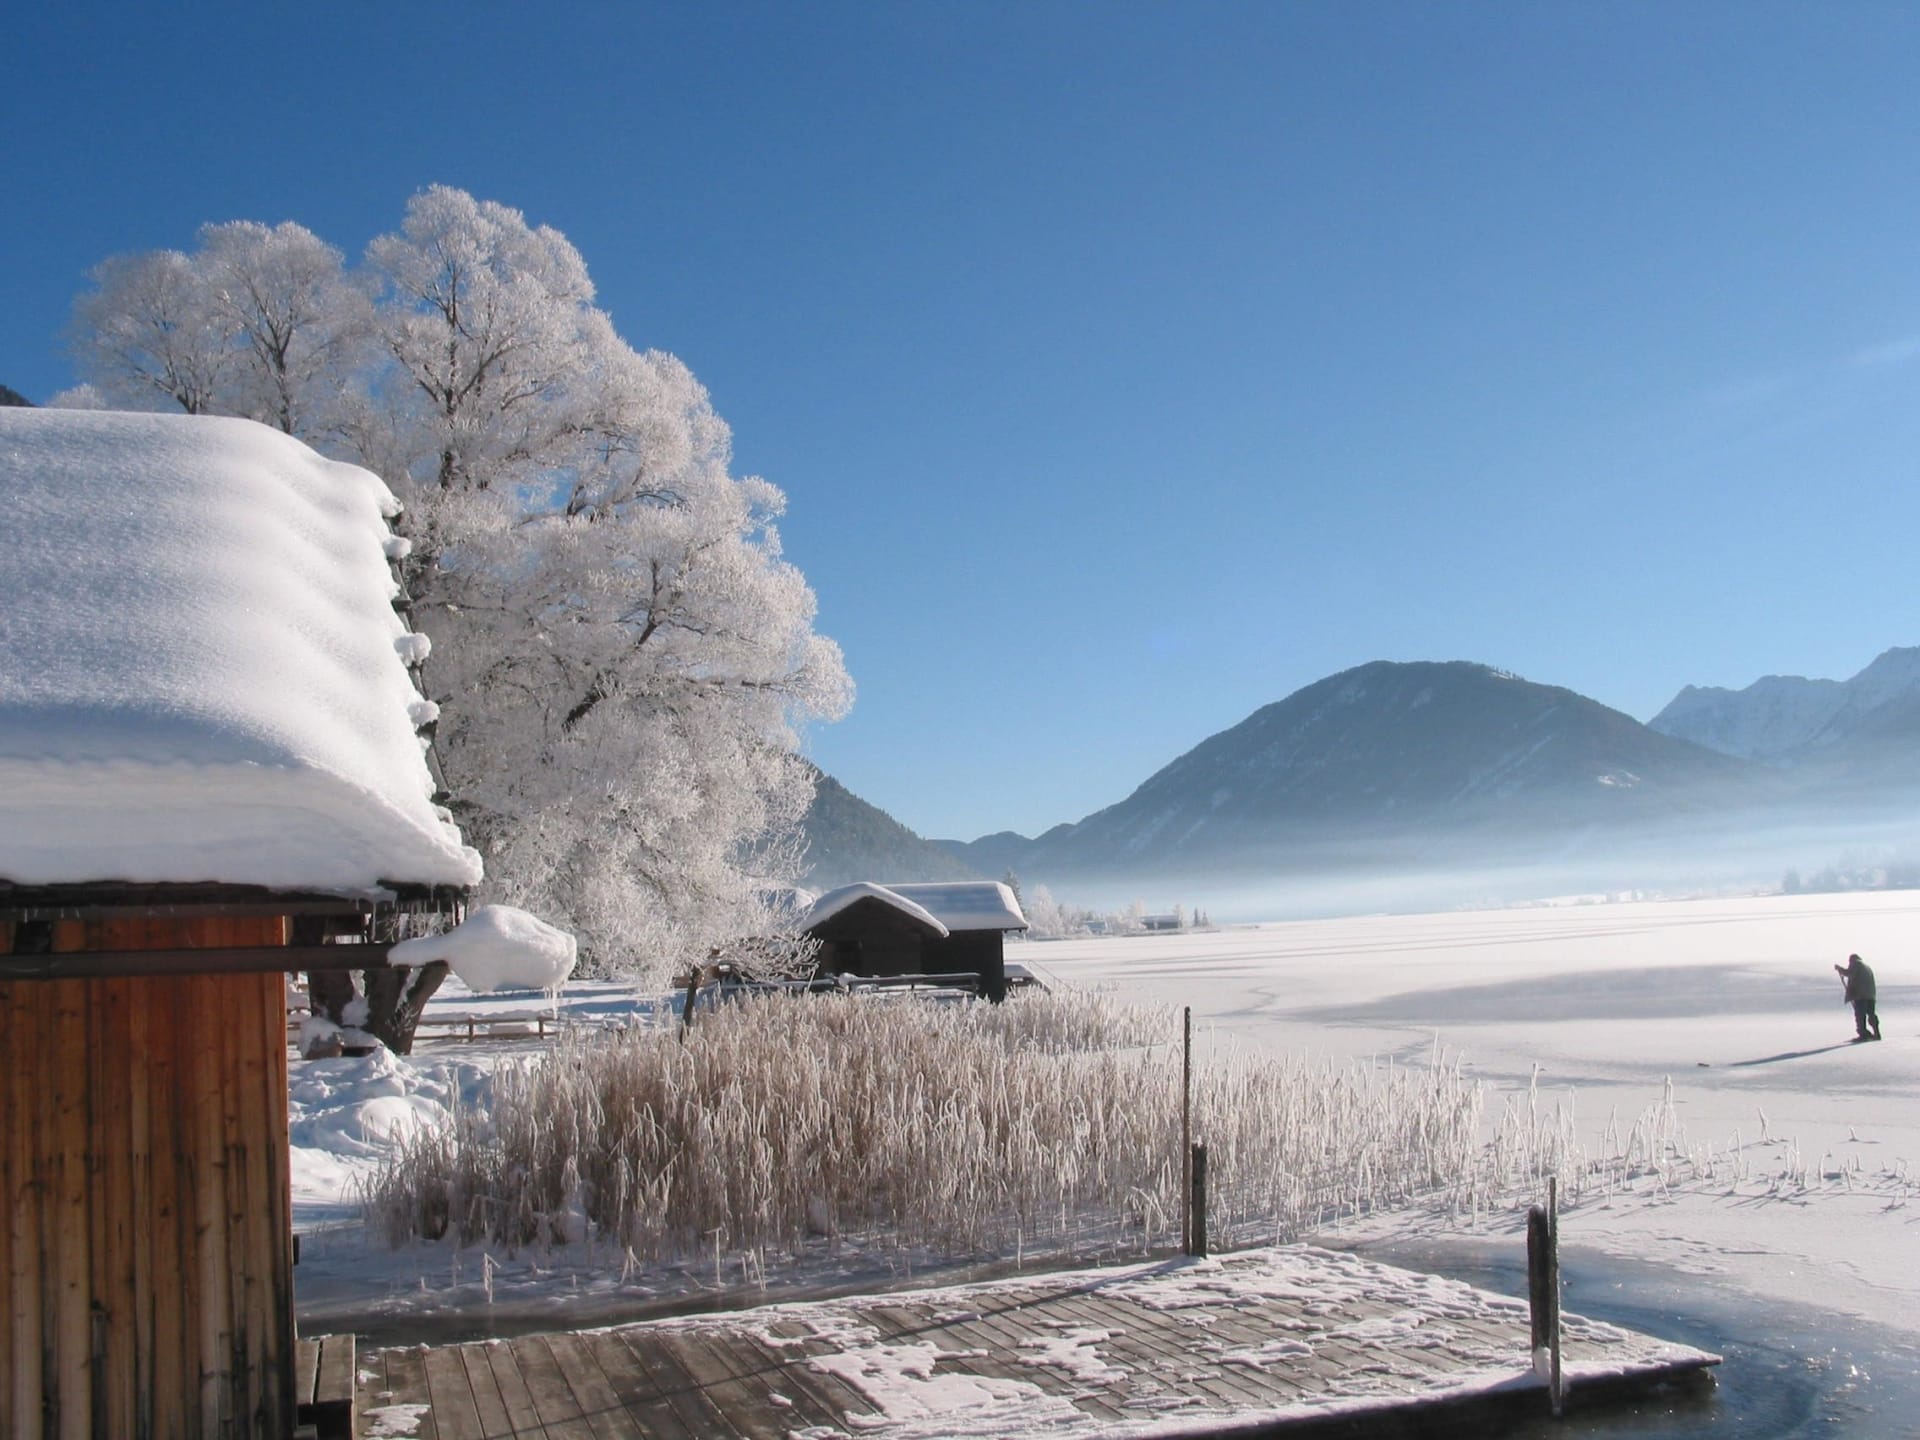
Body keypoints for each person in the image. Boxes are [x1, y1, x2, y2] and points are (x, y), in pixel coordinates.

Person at [1834, 954, 1881, 1042]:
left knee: (1860, 1015)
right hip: (1870, 995)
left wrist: (1840, 969)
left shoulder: (1856, 964)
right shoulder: (1867, 967)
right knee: (1871, 1014)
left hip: (1861, 995)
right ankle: (1876, 1033)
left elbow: (1850, 973)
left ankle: (1863, 1035)